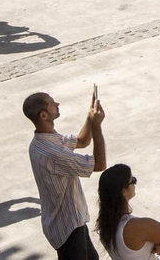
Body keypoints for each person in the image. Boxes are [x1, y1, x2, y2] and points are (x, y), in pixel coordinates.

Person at [24, 90, 106, 260]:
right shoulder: (52, 153)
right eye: (53, 103)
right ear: (44, 115)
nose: (58, 104)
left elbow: (82, 141)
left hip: (70, 221)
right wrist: (97, 126)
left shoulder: (44, 139)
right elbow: (100, 164)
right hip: (67, 228)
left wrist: (90, 118)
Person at [95, 161, 160, 260]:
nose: (135, 183)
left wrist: (148, 248)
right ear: (123, 191)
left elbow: (131, 252)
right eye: (133, 180)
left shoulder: (105, 226)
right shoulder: (137, 227)